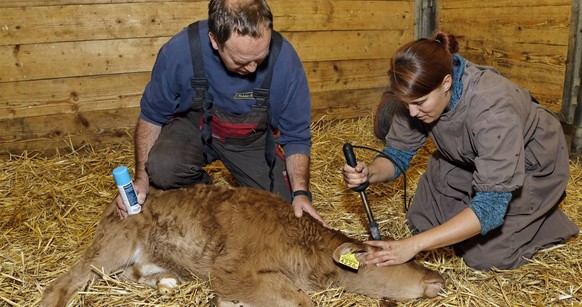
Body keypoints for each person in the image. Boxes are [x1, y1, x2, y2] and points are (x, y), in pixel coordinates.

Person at [343, 31, 579, 270]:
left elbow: (490, 206)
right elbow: (398, 154)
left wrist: (413, 246)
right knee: (420, 222)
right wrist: (369, 173)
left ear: (446, 83)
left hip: (528, 162)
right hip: (469, 157)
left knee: (485, 258)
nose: (412, 113)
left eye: (419, 103)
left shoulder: (492, 109)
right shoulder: (418, 94)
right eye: (406, 104)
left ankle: (545, 220)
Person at [116, 0, 325, 225]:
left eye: (260, 58)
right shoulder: (181, 51)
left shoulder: (285, 60)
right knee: (162, 167)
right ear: (215, 40)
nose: (253, 69)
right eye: (241, 61)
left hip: (249, 138)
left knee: (283, 213)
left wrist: (301, 193)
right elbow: (152, 117)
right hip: (195, 127)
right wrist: (141, 181)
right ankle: (206, 200)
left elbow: (296, 137)